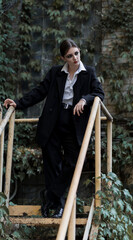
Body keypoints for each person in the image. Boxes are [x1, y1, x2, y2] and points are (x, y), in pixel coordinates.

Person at [4, 39, 104, 218]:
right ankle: (56, 206)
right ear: (63, 58)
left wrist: (84, 99)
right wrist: (18, 103)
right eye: (70, 56)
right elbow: (39, 91)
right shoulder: (55, 73)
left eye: (77, 53)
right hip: (53, 122)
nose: (75, 58)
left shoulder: (88, 73)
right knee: (51, 165)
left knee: (73, 164)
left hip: (75, 123)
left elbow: (99, 93)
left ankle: (50, 195)